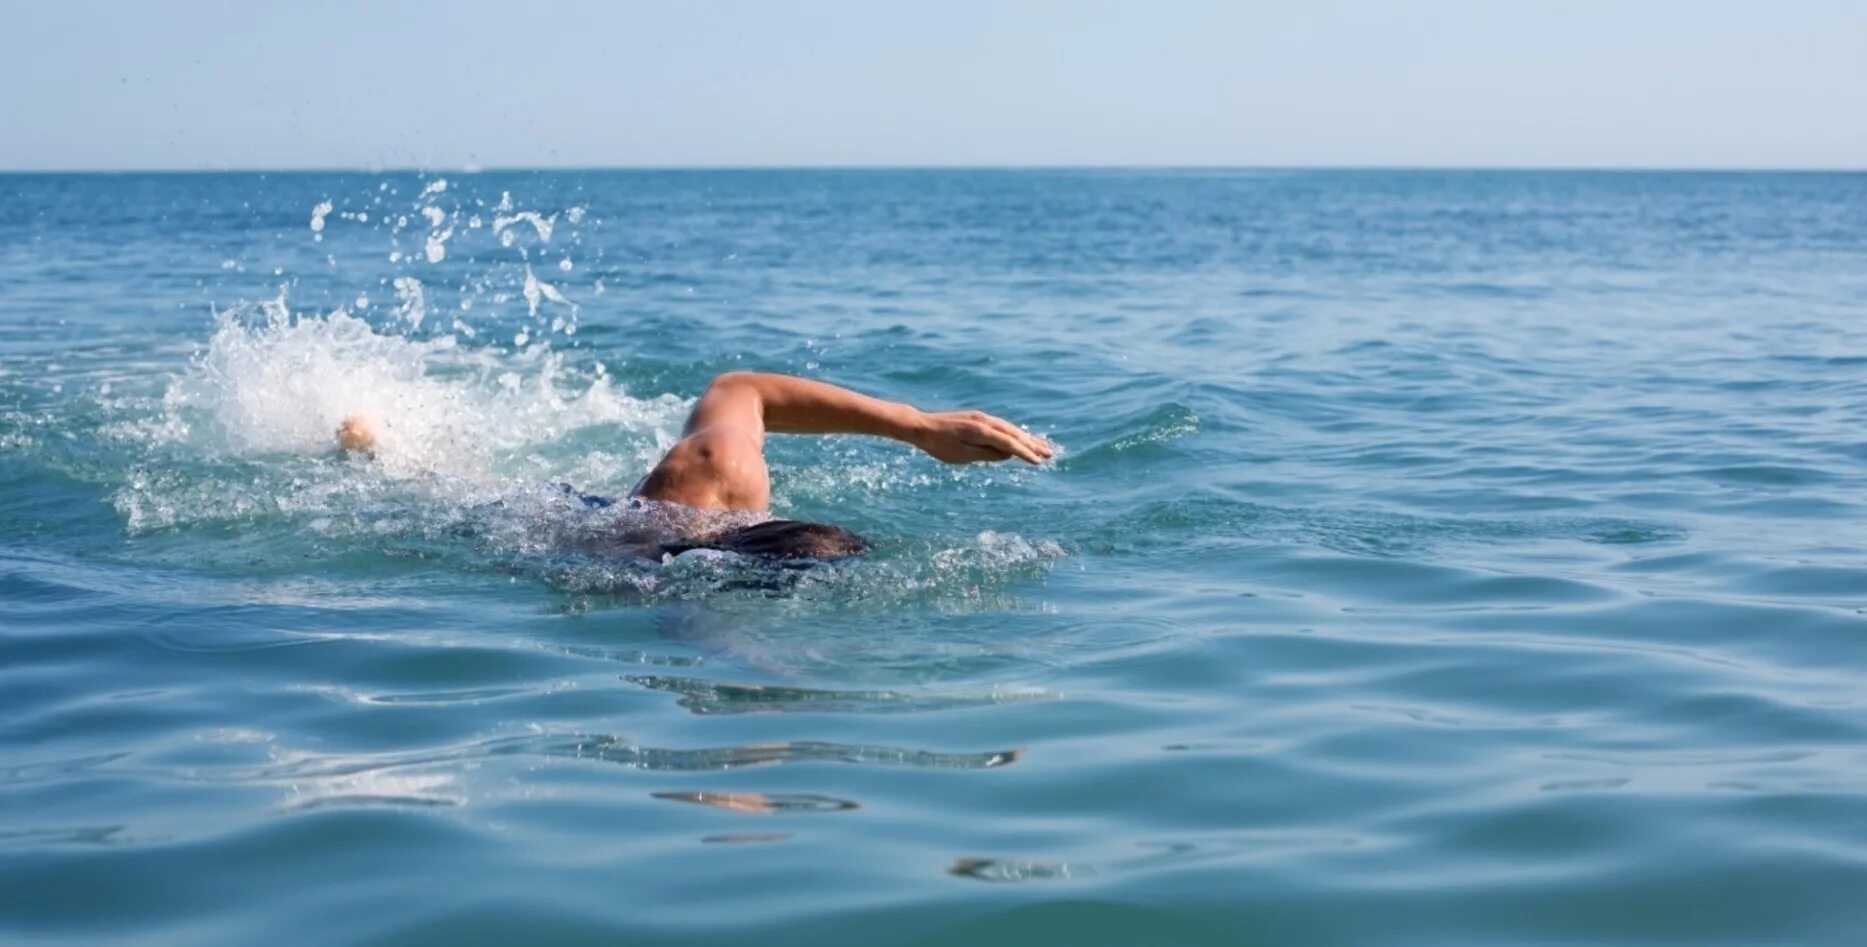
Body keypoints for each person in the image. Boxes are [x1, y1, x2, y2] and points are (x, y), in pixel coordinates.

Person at [337, 371, 1052, 560]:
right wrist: (917, 424)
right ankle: (381, 456)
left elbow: (741, 391)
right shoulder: (716, 464)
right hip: (573, 534)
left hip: (622, 527)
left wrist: (919, 430)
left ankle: (388, 450)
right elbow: (741, 388)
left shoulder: (731, 493)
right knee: (456, 499)